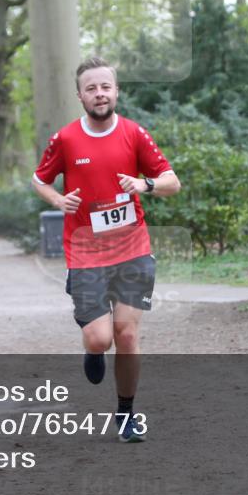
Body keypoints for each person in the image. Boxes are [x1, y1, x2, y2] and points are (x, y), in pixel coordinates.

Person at [31, 56, 180, 443]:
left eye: (106, 86)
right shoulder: (65, 139)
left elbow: (171, 181)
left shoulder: (134, 133)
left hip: (133, 247)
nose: (100, 94)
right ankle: (93, 350)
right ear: (80, 95)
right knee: (101, 337)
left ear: (116, 91)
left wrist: (144, 185)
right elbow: (39, 179)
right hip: (85, 251)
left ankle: (126, 413)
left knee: (127, 335)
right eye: (91, 88)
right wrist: (56, 199)